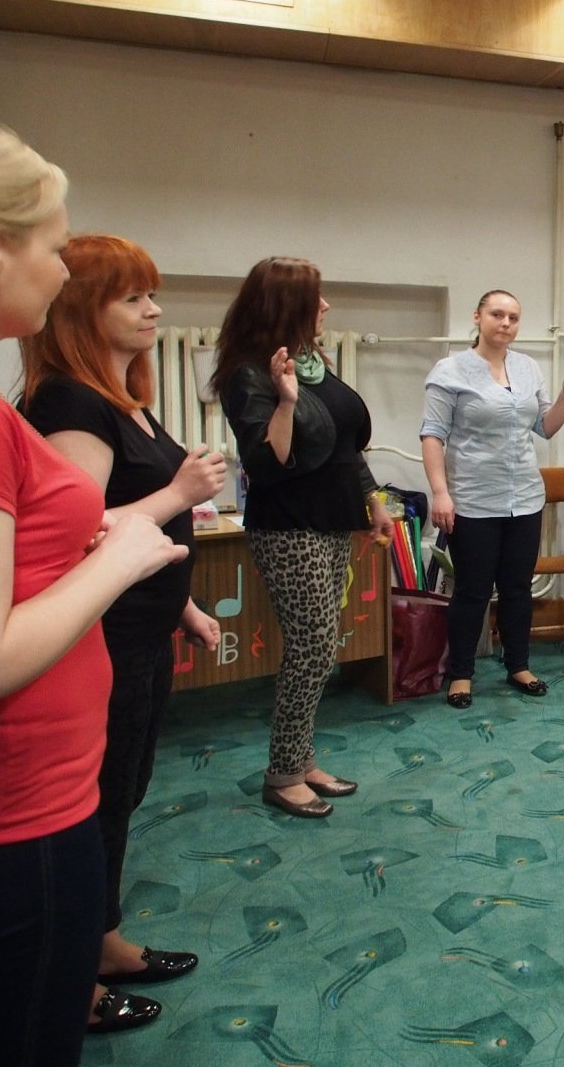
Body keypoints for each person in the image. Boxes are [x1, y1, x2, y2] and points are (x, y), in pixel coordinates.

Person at [0, 116, 186, 1065]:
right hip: (4, 819)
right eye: (52, 246)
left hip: (13, 807)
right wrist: (120, 555)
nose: (58, 272)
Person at [20, 235, 227, 1033]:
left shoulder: (120, 396)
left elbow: (135, 527)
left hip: (142, 630)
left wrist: (184, 607)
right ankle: (73, 981)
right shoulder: (70, 403)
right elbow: (76, 535)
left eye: (152, 294)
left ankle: (100, 943)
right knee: (98, 802)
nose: (154, 311)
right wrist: (179, 490)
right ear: (82, 308)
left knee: (124, 792)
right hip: (99, 638)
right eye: (133, 297)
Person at [212, 257, 391, 817]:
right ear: (286, 305)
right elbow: (268, 462)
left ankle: (302, 759)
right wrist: (286, 401)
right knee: (311, 646)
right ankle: (284, 773)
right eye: (317, 297)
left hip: (333, 519)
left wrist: (374, 502)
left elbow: (345, 447)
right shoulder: (248, 374)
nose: (327, 306)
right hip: (288, 525)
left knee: (320, 645)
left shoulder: (313, 362)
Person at [423, 288, 564, 702]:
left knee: (517, 588)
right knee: (472, 590)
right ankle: (461, 673)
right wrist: (440, 492)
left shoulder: (527, 367)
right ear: (477, 317)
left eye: (513, 317)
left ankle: (518, 665)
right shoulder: (450, 370)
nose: (506, 323)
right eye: (497, 314)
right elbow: (433, 435)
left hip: (524, 498)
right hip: (473, 498)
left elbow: (545, 428)